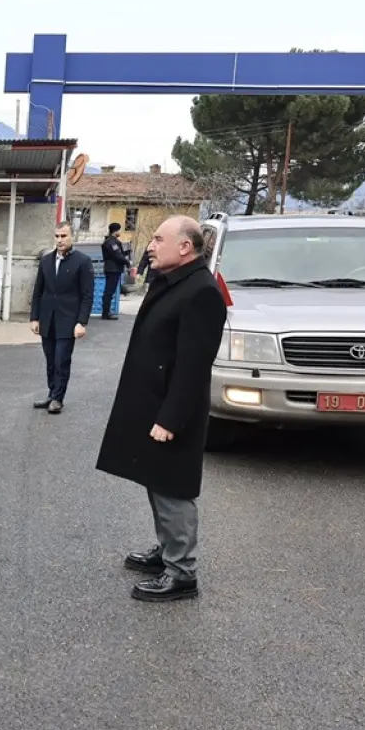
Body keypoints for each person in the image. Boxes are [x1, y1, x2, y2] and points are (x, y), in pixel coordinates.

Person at [95, 215, 227, 603]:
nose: (150, 246)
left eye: (157, 239)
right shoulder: (173, 282)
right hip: (153, 404)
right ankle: (168, 550)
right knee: (157, 479)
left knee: (173, 488)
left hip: (173, 413)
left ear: (184, 247)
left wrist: (171, 419)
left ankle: (182, 572)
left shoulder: (201, 292)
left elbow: (193, 367)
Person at [29, 222, 94, 414]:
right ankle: (51, 393)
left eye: (63, 236)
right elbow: (38, 291)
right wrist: (35, 317)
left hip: (68, 321)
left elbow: (87, 295)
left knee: (61, 359)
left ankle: (58, 398)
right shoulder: (46, 260)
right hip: (47, 319)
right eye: (57, 236)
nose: (59, 240)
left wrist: (82, 322)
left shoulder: (83, 261)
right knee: (50, 359)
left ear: (71, 236)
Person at [100, 222, 129, 319]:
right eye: (119, 230)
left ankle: (106, 312)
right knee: (109, 291)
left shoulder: (112, 241)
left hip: (113, 268)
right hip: (113, 269)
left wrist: (126, 253)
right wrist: (127, 262)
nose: (120, 232)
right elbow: (117, 255)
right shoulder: (111, 242)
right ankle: (106, 313)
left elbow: (117, 254)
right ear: (115, 231)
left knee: (110, 291)